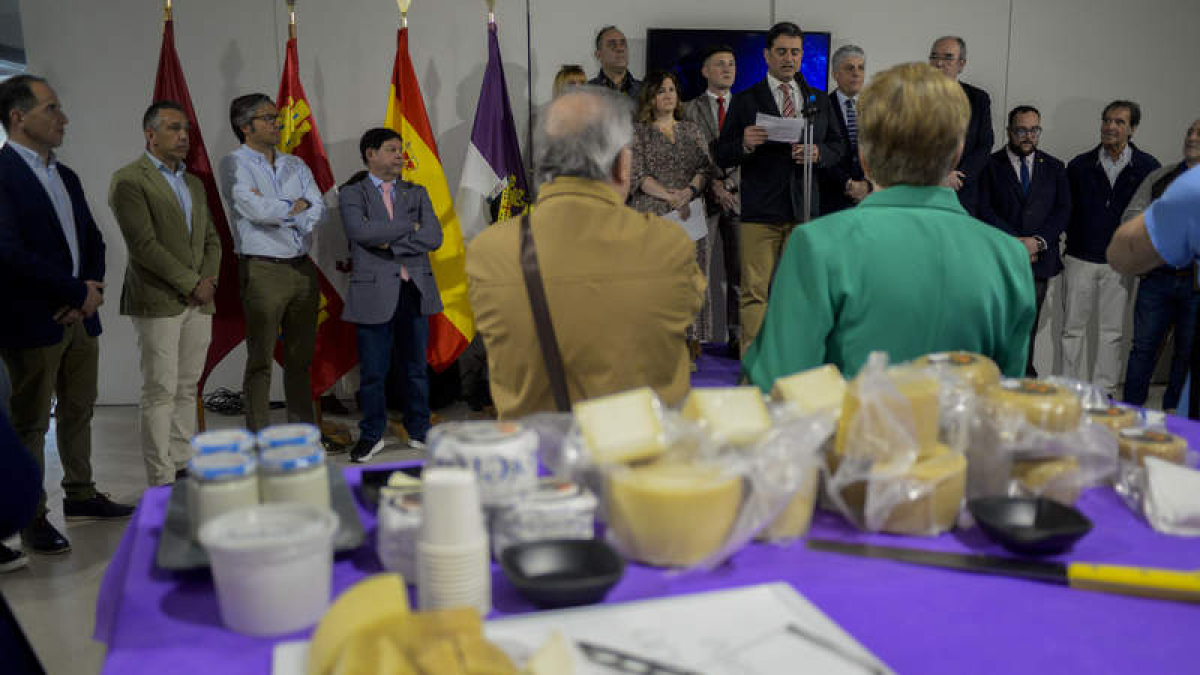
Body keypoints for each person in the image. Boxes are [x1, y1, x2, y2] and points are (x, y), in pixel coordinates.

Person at [743, 62, 1035, 386]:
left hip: (849, 435)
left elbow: (779, 385)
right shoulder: (1010, 257)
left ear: (864, 156)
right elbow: (1005, 395)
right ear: (957, 155)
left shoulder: (818, 244)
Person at [467, 86, 704, 418]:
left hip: (542, 459)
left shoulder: (488, 252)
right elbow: (686, 311)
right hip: (641, 458)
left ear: (543, 165)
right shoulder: (669, 245)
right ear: (623, 165)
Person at [0, 74, 134, 556]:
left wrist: (87, 292)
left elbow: (92, 240)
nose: (64, 118)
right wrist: (73, 290)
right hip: (34, 320)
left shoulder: (65, 174)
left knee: (78, 410)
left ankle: (81, 495)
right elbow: (8, 252)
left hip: (79, 316)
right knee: (32, 423)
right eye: (51, 108)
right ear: (18, 117)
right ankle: (33, 517)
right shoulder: (4, 174)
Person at [714, 21, 845, 353]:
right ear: (767, 55)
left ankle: (794, 360)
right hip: (760, 211)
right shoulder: (746, 100)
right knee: (754, 291)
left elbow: (838, 146)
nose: (789, 58)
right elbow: (721, 152)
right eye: (782, 52)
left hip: (804, 211)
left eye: (796, 52)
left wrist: (818, 153)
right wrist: (743, 143)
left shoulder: (817, 98)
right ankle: (753, 364)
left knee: (800, 292)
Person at [109, 101, 221, 486]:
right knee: (160, 389)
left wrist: (209, 281)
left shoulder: (193, 183)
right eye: (174, 128)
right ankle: (160, 475)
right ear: (150, 134)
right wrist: (191, 283)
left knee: (188, 386)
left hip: (200, 300)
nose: (184, 136)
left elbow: (211, 240)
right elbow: (143, 246)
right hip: (158, 299)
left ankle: (182, 460)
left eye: (186, 129)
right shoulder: (130, 180)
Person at [218, 93, 325, 432]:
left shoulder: (296, 164)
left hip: (301, 266)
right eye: (267, 118)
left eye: (276, 117)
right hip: (262, 267)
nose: (277, 123)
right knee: (261, 358)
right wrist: (294, 207)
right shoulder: (235, 163)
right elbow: (253, 209)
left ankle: (302, 430)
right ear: (244, 126)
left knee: (300, 357)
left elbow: (317, 206)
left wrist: (289, 211)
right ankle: (258, 434)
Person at [338, 128, 442, 463]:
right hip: (373, 293)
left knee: (415, 368)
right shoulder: (353, 193)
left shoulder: (417, 191)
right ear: (371, 154)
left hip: (413, 289)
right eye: (391, 149)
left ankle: (419, 429)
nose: (399, 155)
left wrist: (384, 238)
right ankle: (371, 435)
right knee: (373, 373)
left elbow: (434, 236)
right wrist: (408, 228)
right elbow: (359, 232)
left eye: (400, 150)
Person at [1062, 100, 1160, 397]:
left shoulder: (1148, 167)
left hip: (1120, 263)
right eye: (1106, 120)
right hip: (1080, 255)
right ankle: (1069, 389)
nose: (1110, 127)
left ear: (1132, 129)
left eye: (1119, 122)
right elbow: (1067, 209)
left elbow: (1150, 216)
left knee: (1111, 332)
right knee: (1072, 330)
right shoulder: (1079, 165)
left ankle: (1103, 391)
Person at [629, 71, 717, 361]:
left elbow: (706, 169)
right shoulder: (638, 132)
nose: (668, 95)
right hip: (652, 211)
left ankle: (691, 340)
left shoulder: (692, 130)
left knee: (692, 278)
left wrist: (688, 193)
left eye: (671, 90)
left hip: (689, 212)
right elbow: (637, 174)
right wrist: (670, 196)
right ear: (650, 98)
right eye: (661, 91)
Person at [977, 105, 1071, 376]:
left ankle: (1023, 377)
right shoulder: (990, 165)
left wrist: (1037, 242)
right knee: (998, 324)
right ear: (1009, 131)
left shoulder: (1054, 167)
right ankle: (994, 376)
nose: (1028, 136)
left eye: (1034, 130)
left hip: (1039, 261)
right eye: (1021, 130)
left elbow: (1062, 210)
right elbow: (984, 210)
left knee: (1028, 324)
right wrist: (1016, 244)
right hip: (1000, 260)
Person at [1118, 119, 1200, 411]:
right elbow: (1131, 216)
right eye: (1189, 131)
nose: (1191, 136)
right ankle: (1129, 412)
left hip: (1196, 285)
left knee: (1187, 354)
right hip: (1158, 279)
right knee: (1142, 350)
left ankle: (1174, 417)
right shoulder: (1160, 177)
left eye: (1198, 132)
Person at [683, 44, 742, 354]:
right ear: (705, 71)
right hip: (702, 199)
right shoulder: (688, 109)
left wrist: (730, 184)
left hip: (739, 199)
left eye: (731, 64)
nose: (727, 69)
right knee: (697, 272)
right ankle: (695, 337)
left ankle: (738, 337)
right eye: (720, 64)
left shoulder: (746, 106)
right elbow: (690, 155)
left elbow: (755, 153)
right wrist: (714, 184)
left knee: (740, 274)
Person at [928, 36, 993, 215]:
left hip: (962, 194)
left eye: (948, 57)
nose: (939, 63)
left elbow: (984, 145)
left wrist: (958, 177)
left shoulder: (978, 99)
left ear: (961, 64)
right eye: (934, 57)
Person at [820, 44, 872, 214]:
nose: (856, 73)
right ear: (835, 74)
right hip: (831, 200)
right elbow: (820, 152)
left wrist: (868, 185)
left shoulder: (878, 108)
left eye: (860, 68)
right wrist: (848, 184)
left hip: (870, 200)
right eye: (849, 68)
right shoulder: (821, 107)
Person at [588, 26, 641, 99]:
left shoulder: (645, 91)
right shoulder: (586, 92)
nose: (620, 49)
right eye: (612, 44)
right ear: (598, 55)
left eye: (623, 44)